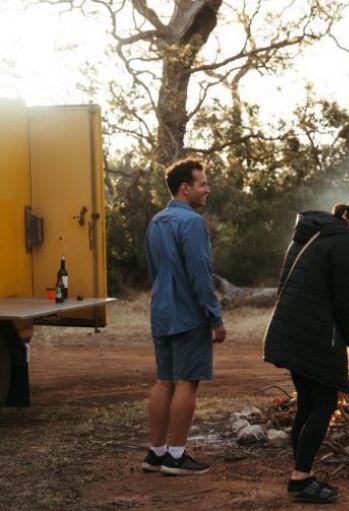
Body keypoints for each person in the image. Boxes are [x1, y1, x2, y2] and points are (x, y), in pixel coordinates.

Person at [263, 196, 349, 503]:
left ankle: (300, 472)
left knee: (308, 402)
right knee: (325, 403)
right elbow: (343, 304)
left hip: (291, 328)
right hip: (316, 335)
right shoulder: (346, 244)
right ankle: (300, 480)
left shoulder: (319, 234)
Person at [141, 158, 227, 476]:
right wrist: (215, 317)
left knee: (164, 380)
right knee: (186, 383)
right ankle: (176, 457)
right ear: (185, 187)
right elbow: (200, 274)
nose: (207, 189)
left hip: (161, 311)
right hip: (188, 314)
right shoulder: (191, 223)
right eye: (203, 184)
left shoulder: (156, 222)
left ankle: (155, 452)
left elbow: (154, 271)